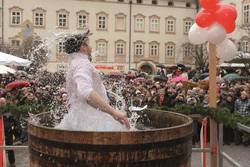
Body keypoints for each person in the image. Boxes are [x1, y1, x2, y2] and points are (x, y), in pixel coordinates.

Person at [57, 31, 130, 131]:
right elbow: (85, 91)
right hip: (91, 122)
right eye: (89, 44)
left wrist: (108, 111)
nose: (91, 48)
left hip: (78, 118)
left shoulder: (75, 63)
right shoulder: (82, 64)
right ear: (83, 46)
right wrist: (113, 112)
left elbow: (86, 99)